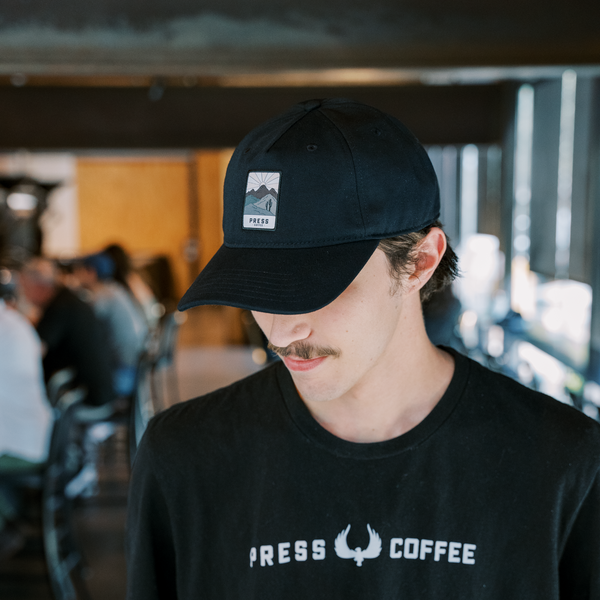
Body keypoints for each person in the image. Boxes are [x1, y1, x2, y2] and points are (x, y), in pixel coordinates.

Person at [126, 99, 600, 599]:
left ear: (419, 261)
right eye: (257, 290)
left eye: (315, 288)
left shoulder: (559, 466)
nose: (280, 333)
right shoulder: (184, 459)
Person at [0, 268, 53, 560]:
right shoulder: (15, 321)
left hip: (24, 446)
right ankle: (10, 519)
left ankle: (6, 525)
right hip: (42, 435)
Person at [19, 257, 113, 407]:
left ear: (38, 286)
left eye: (24, 287)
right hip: (99, 386)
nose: (23, 294)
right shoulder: (66, 299)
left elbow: (35, 351)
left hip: (86, 396)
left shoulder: (59, 308)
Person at [75, 252, 148, 397]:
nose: (76, 275)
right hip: (136, 368)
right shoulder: (115, 289)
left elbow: (83, 325)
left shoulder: (102, 296)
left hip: (123, 374)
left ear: (91, 272)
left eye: (79, 271)